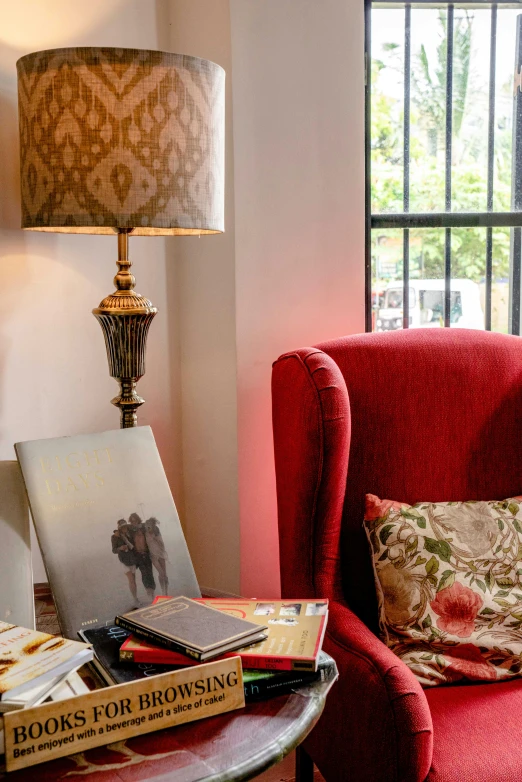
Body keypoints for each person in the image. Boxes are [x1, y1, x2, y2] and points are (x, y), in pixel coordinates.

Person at [128, 513, 156, 601]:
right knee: (144, 573)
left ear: (138, 519)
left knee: (149, 572)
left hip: (147, 553)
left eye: (135, 520)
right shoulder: (130, 530)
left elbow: (151, 529)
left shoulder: (144, 527)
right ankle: (148, 591)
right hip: (138, 555)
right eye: (132, 521)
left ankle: (152, 591)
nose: (133, 522)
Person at [111, 519, 139, 605]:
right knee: (131, 579)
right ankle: (135, 599)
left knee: (133, 580)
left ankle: (136, 598)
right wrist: (120, 548)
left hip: (132, 558)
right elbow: (114, 550)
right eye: (122, 527)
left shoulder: (129, 533)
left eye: (125, 526)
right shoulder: (115, 537)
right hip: (123, 560)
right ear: (119, 528)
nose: (124, 528)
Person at [144, 517, 169, 595]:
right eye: (147, 526)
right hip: (153, 555)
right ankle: (163, 591)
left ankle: (166, 591)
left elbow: (162, 543)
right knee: (161, 573)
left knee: (164, 574)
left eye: (149, 526)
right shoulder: (145, 533)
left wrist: (156, 538)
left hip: (160, 553)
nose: (148, 527)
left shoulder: (156, 531)